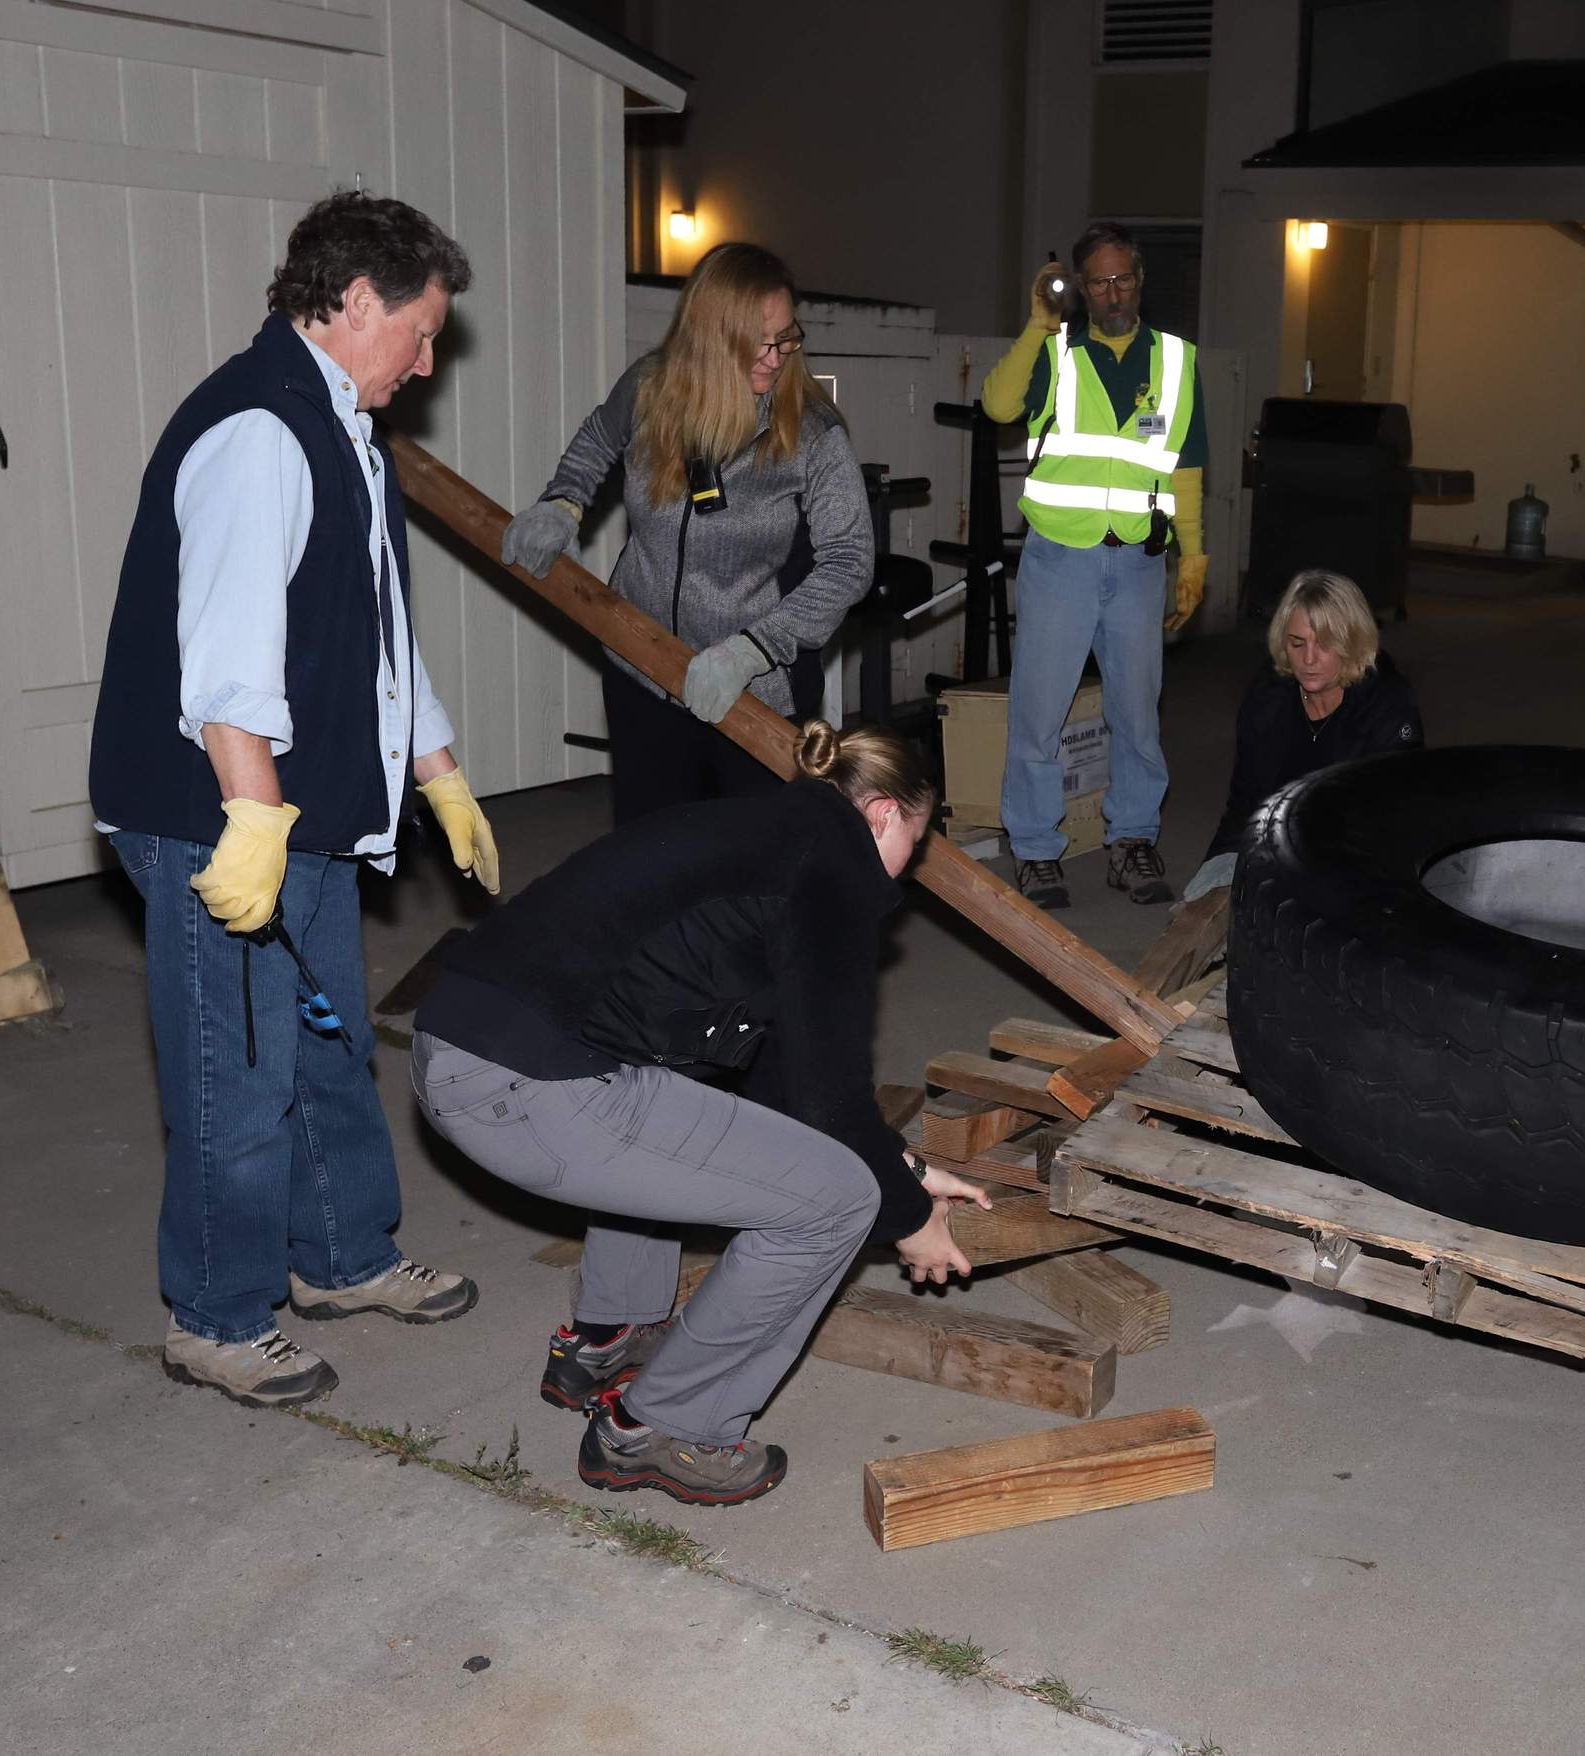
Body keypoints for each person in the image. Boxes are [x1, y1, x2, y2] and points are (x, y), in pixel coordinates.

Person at [89, 191, 496, 1408]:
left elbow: (372, 634)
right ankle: (216, 1316)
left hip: (296, 810)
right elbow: (225, 660)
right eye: (419, 333)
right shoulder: (258, 430)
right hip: (217, 812)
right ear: (358, 301)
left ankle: (342, 1255)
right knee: (241, 1066)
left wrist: (437, 769)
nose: (427, 363)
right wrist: (255, 821)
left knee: (324, 1040)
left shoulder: (341, 428)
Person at [409, 719, 991, 1507]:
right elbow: (827, 1097)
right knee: (836, 1204)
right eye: (913, 846)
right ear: (884, 814)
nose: (907, 869)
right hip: (527, 1090)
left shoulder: (760, 831)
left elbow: (786, 1076)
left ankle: (611, 1337)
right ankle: (664, 1426)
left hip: (455, 1048)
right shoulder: (832, 866)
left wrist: (907, 1168)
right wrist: (907, 1217)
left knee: (690, 1099)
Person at [501, 243, 872, 824]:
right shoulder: (652, 388)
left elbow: (849, 562)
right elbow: (599, 437)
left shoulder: (813, 434)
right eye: (757, 342)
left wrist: (752, 651)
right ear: (709, 338)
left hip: (751, 691)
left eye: (785, 338)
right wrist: (563, 502)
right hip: (641, 666)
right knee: (652, 847)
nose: (776, 358)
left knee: (746, 859)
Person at [980, 221, 1211, 912]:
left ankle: (1132, 840)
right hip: (1060, 559)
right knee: (1039, 714)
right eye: (1101, 281)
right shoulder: (1054, 352)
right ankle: (1035, 849)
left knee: (1137, 714)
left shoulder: (1176, 361)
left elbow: (1186, 466)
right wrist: (1036, 324)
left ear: (1140, 280)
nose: (1115, 292)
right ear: (1082, 288)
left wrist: (1194, 555)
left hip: (1139, 564)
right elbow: (996, 404)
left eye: (1124, 278)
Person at [1183, 570, 1423, 900]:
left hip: (1354, 858)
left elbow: (1390, 829)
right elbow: (1243, 807)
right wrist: (1214, 875)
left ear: (1352, 643)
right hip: (1273, 845)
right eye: (1297, 643)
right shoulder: (1266, 698)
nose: (1308, 659)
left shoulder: (1388, 707)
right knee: (1202, 904)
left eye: (1324, 644)